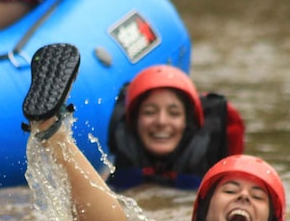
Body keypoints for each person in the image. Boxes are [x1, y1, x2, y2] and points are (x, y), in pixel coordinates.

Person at [21, 43, 290, 221]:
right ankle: (54, 134)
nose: (243, 198)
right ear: (203, 212)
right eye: (230, 189)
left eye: (257, 195)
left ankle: (53, 134)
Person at [105, 65, 245, 190]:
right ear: (135, 121)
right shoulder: (108, 170)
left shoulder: (214, 175)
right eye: (149, 112)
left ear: (187, 123)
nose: (161, 122)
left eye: (174, 113)